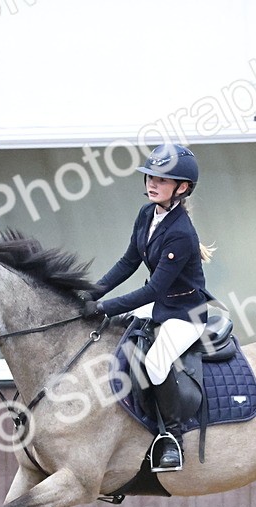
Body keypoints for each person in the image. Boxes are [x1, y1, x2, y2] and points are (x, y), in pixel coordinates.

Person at [84, 143, 216, 472]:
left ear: (182, 187)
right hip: (160, 308)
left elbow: (154, 288)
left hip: (187, 315)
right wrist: (91, 293)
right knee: (115, 342)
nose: (151, 184)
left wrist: (105, 306)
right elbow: (129, 261)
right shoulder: (147, 214)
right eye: (149, 177)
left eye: (161, 179)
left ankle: (172, 437)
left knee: (156, 362)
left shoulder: (182, 233)